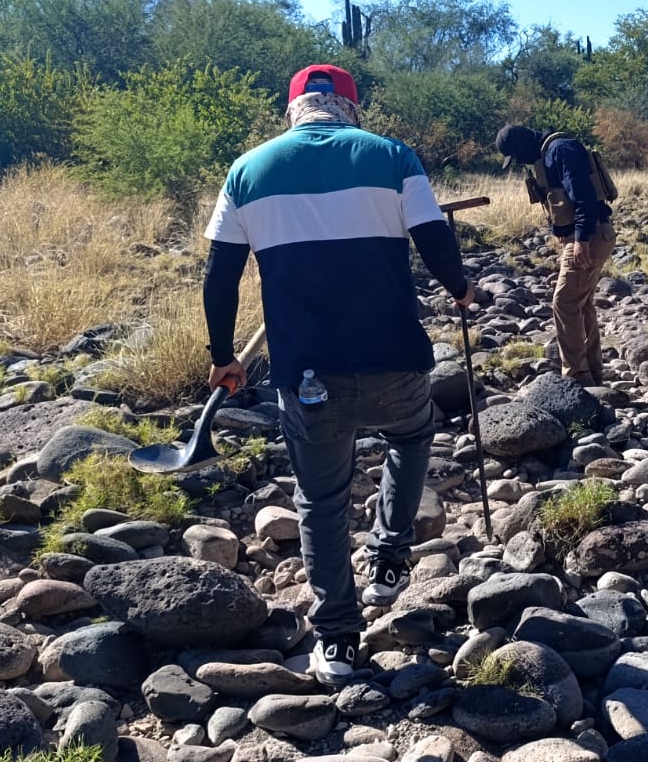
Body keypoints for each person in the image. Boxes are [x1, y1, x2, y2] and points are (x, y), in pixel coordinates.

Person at [202, 64, 474, 686]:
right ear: (350, 107)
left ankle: (338, 640)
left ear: (293, 109)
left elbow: (220, 274)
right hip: (395, 358)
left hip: (307, 372)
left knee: (320, 502)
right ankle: (388, 555)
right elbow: (434, 241)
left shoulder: (248, 171)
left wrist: (224, 355)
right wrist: (460, 289)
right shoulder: (393, 156)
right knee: (409, 437)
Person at [494, 124, 616, 386]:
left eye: (516, 157)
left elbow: (583, 197)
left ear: (521, 146)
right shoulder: (551, 151)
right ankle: (592, 371)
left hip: (589, 236)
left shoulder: (560, 150)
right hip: (587, 235)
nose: (520, 163)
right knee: (580, 303)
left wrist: (581, 240)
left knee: (564, 303)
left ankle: (577, 376)